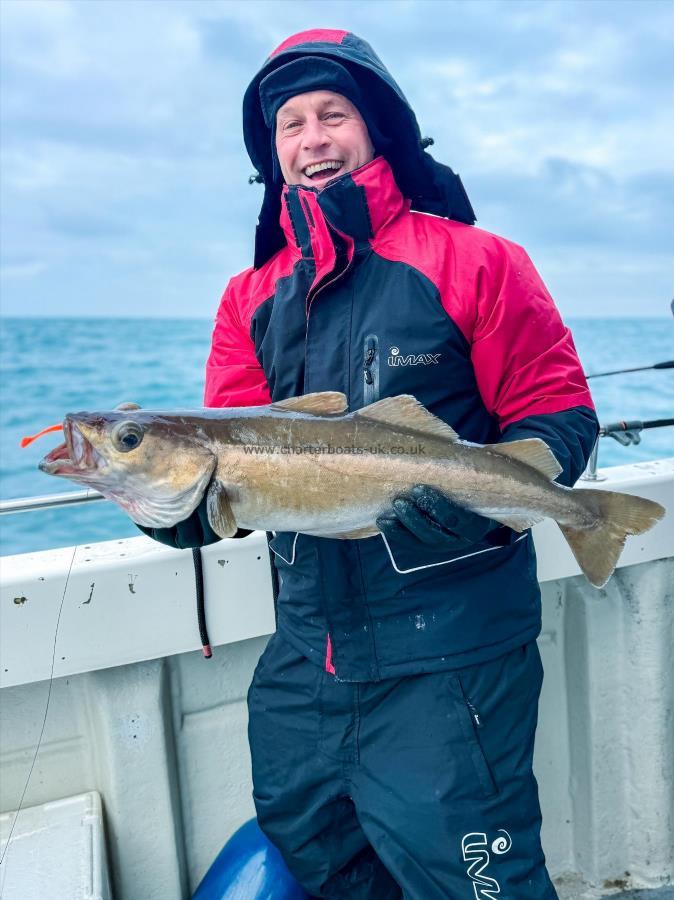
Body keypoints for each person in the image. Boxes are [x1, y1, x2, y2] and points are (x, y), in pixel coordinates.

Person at [144, 29, 598, 899]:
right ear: (271, 153)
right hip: (303, 668)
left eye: (332, 115)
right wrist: (174, 506)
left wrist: (488, 504)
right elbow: (221, 449)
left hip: (452, 662)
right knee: (326, 867)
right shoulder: (249, 297)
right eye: (289, 125)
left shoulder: (477, 261)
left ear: (377, 129)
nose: (311, 139)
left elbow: (559, 412)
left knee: (476, 883)